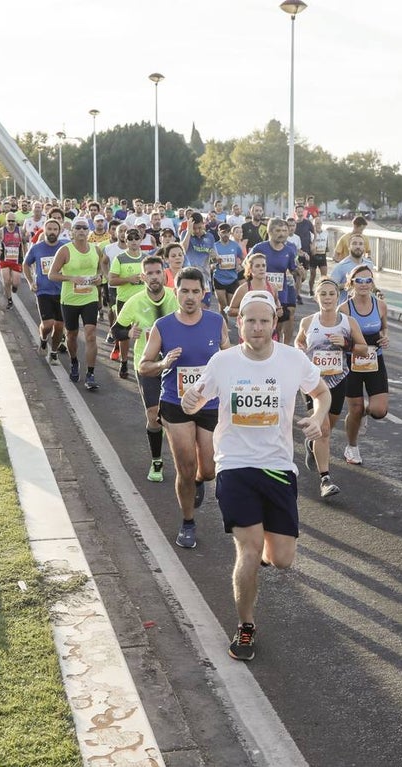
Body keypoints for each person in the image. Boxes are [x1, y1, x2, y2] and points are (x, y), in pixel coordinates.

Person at [180, 290, 330, 661]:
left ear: (274, 323)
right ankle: (245, 626)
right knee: (247, 550)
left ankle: (264, 553)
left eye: (264, 320)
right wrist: (190, 401)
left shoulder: (293, 360)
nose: (258, 327)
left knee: (282, 559)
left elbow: (322, 391)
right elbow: (197, 398)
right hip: (234, 465)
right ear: (239, 323)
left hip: (278, 466)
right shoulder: (223, 361)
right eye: (251, 320)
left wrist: (318, 415)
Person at [139, 267, 229, 550]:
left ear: (204, 293)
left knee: (210, 469)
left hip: (210, 403)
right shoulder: (163, 326)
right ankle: (188, 522)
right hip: (175, 402)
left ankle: (201, 481)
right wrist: (163, 365)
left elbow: (229, 354)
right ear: (175, 292)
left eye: (195, 291)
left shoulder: (216, 322)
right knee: (185, 467)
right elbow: (143, 365)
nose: (190, 297)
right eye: (184, 291)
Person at [296, 278, 368, 499]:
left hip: (338, 380)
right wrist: (302, 353)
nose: (327, 298)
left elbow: (364, 350)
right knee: (324, 429)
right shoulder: (308, 322)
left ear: (338, 297)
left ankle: (311, 443)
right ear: (316, 297)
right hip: (313, 383)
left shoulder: (348, 322)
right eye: (323, 294)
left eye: (331, 294)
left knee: (329, 426)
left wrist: (346, 344)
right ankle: (325, 479)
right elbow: (299, 342)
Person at [115, 255, 179, 483]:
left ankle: (187, 462)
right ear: (143, 277)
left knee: (179, 416)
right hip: (148, 365)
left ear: (164, 274)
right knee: (154, 415)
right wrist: (127, 334)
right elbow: (116, 330)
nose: (154, 277)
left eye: (157, 272)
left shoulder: (175, 297)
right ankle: (157, 460)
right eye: (149, 273)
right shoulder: (134, 301)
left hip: (177, 364)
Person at [47, 217, 109, 390]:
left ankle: (90, 374)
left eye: (84, 228)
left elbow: (101, 270)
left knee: (90, 334)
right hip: (70, 299)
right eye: (78, 228)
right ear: (72, 231)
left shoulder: (96, 250)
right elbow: (52, 274)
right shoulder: (65, 250)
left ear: (88, 231)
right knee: (72, 335)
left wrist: (99, 279)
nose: (81, 231)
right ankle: (74, 361)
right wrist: (70, 278)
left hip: (89, 297)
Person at [339, 264, 389, 466]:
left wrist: (385, 338)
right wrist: (352, 347)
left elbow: (384, 329)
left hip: (375, 360)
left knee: (379, 410)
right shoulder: (344, 309)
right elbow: (337, 341)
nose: (364, 284)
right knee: (355, 409)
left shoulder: (380, 305)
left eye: (368, 280)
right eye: (359, 280)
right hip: (352, 363)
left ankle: (363, 415)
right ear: (351, 283)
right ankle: (351, 447)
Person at [249, 218, 303, 345]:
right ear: (270, 232)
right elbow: (247, 265)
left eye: (284, 230)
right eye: (278, 230)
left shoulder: (289, 250)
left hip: (280, 292)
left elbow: (293, 269)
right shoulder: (259, 248)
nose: (282, 233)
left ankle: (280, 348)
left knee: (277, 325)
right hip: (261, 291)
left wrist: (299, 272)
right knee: (263, 323)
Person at [22, 219, 66, 364]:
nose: (52, 232)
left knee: (59, 326)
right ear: (44, 230)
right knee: (48, 325)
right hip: (43, 291)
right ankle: (43, 339)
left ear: (59, 232)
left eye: (55, 229)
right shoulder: (37, 248)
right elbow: (26, 264)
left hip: (62, 292)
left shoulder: (65, 247)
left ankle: (53, 352)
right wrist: (30, 282)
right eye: (49, 229)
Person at [107, 225, 148, 378]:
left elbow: (156, 277)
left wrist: (147, 279)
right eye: (130, 238)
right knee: (124, 334)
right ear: (125, 240)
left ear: (141, 239)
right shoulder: (120, 258)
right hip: (124, 301)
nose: (133, 241)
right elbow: (111, 280)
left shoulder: (146, 258)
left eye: (136, 238)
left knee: (143, 332)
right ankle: (124, 362)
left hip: (143, 301)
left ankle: (144, 362)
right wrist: (128, 280)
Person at [227, 252, 282, 322]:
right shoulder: (243, 289)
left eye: (263, 265)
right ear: (250, 269)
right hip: (249, 330)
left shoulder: (273, 287)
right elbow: (230, 311)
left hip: (268, 330)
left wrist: (279, 309)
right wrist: (249, 312)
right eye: (257, 266)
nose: (261, 268)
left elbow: (276, 301)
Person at [0, 215, 25, 309]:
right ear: (6, 221)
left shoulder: (20, 231)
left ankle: (15, 287)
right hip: (4, 259)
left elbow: (24, 243)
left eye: (12, 221)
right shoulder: (1, 231)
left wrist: (25, 255)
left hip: (16, 260)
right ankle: (9, 300)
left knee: (16, 282)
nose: (11, 223)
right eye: (9, 221)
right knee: (6, 281)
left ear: (15, 221)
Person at [211, 223, 244, 316]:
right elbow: (209, 262)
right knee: (223, 305)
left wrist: (239, 265)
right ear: (219, 233)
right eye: (223, 232)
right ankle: (225, 324)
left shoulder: (235, 245)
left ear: (230, 233)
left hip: (232, 278)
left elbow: (242, 258)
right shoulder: (214, 246)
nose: (225, 234)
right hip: (219, 278)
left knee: (230, 305)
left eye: (228, 232)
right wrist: (213, 265)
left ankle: (226, 317)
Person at [304, 215, 328, 296]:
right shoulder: (311, 234)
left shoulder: (325, 233)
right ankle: (311, 290)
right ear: (313, 225)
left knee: (324, 276)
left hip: (322, 255)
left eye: (319, 223)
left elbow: (326, 244)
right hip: (314, 256)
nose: (318, 225)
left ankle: (322, 291)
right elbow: (309, 245)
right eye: (316, 223)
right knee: (313, 275)